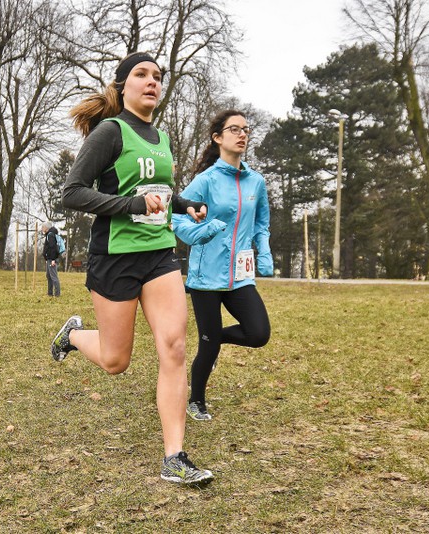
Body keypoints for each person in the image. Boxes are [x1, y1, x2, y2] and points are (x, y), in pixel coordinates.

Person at [53, 52, 212, 486]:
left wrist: (185, 205)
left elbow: (159, 191)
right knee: (115, 360)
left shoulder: (160, 137)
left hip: (160, 253)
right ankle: (72, 335)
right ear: (122, 85)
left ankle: (174, 456)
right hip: (115, 257)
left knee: (174, 347)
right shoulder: (111, 131)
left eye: (158, 76)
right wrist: (131, 206)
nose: (152, 82)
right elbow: (73, 193)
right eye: (141, 75)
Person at [173, 110, 273, 422]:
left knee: (258, 334)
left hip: (241, 276)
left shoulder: (256, 181)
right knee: (207, 344)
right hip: (206, 277)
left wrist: (264, 253)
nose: (242, 134)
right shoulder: (206, 181)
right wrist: (203, 231)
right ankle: (196, 400)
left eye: (246, 129)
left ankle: (216, 339)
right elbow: (176, 219)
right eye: (234, 129)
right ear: (218, 138)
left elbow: (262, 225)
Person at [41, 221, 61, 297]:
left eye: (43, 227)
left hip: (51, 259)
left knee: (53, 276)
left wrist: (53, 259)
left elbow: (53, 248)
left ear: (46, 228)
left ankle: (57, 294)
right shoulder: (49, 234)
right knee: (48, 276)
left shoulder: (50, 235)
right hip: (49, 258)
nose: (42, 229)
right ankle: (50, 293)